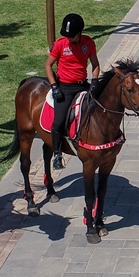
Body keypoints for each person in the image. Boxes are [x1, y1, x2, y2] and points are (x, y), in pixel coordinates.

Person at [45, 13, 100, 170]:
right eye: (67, 36)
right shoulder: (60, 44)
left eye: (72, 35)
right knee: (59, 120)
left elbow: (95, 64)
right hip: (65, 88)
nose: (69, 38)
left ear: (80, 33)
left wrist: (95, 80)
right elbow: (48, 65)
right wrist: (54, 86)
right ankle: (57, 154)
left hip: (83, 85)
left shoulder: (88, 43)